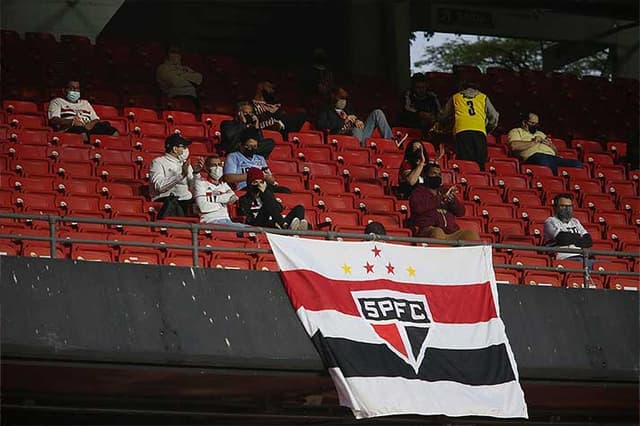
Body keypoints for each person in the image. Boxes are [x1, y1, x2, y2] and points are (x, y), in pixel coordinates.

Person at [317, 87, 408, 147]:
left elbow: (356, 118)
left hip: (360, 135)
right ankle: (361, 150)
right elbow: (321, 124)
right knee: (355, 129)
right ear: (334, 99)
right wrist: (343, 121)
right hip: (343, 136)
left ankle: (391, 142)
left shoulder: (348, 109)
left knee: (377, 112)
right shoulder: (326, 111)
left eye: (345, 99)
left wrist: (357, 121)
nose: (343, 102)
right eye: (341, 99)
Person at [409, 163, 479, 241]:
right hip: (428, 230)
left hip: (451, 232)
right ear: (425, 175)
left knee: (470, 235)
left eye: (439, 174)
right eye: (434, 173)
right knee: (438, 232)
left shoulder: (444, 191)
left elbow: (461, 212)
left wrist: (452, 202)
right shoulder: (418, 192)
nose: (437, 176)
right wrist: (439, 199)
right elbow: (418, 208)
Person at [439, 81, 499, 171]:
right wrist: (487, 129)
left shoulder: (456, 97)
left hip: (462, 131)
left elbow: (443, 115)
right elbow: (494, 117)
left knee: (465, 162)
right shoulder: (483, 97)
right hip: (479, 132)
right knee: (480, 162)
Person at [508, 112, 583, 176]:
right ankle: (557, 179)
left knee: (577, 164)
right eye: (532, 123)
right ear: (524, 122)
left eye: (536, 124)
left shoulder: (541, 133)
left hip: (552, 158)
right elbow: (514, 146)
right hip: (535, 157)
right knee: (543, 159)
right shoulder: (516, 131)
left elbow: (556, 152)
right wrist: (534, 142)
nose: (535, 126)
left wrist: (550, 145)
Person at [47, 80, 119, 142]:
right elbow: (54, 120)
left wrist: (91, 124)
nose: (75, 91)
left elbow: (96, 119)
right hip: (70, 128)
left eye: (77, 89)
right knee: (82, 132)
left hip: (88, 127)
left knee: (111, 130)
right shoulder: (57, 102)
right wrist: (72, 122)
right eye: (72, 88)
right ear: (64, 90)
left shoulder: (85, 103)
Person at [238, 168, 308, 230]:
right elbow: (249, 219)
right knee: (266, 205)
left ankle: (299, 226)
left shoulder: (266, 194)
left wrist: (265, 193)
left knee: (299, 208)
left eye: (261, 182)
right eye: (255, 182)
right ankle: (285, 225)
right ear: (250, 183)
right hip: (259, 223)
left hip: (275, 221)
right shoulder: (244, 199)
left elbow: (279, 208)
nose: (258, 185)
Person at [149, 134, 201, 217]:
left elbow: (194, 189)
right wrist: (181, 175)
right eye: (183, 147)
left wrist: (196, 173)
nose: (186, 150)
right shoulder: (158, 162)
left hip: (187, 202)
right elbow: (159, 186)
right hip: (166, 202)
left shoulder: (185, 164)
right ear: (175, 149)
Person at [223, 135, 290, 193]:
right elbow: (229, 178)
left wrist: (268, 178)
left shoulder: (260, 158)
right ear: (241, 145)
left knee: (285, 191)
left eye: (254, 146)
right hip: (246, 187)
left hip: (263, 185)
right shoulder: (233, 156)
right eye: (248, 146)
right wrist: (255, 175)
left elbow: (271, 179)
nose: (251, 149)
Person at [193, 155, 245, 226]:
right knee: (248, 231)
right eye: (214, 165)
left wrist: (212, 199)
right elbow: (203, 207)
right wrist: (222, 203)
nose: (218, 168)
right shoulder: (201, 184)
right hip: (211, 221)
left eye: (219, 165)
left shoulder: (224, 185)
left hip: (227, 220)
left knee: (257, 232)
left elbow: (234, 198)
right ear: (207, 168)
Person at [544, 193, 593, 264]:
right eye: (563, 206)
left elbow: (588, 241)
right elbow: (562, 238)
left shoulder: (575, 221)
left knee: (605, 266)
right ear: (555, 207)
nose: (567, 209)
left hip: (583, 256)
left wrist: (571, 238)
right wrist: (578, 238)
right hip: (564, 257)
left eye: (569, 206)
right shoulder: (550, 221)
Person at [156, 46, 203, 111]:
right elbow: (176, 82)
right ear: (167, 55)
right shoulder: (162, 68)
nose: (176, 55)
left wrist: (182, 75)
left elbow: (199, 78)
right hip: (173, 99)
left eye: (178, 53)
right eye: (173, 52)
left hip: (192, 99)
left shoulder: (184, 68)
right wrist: (191, 82)